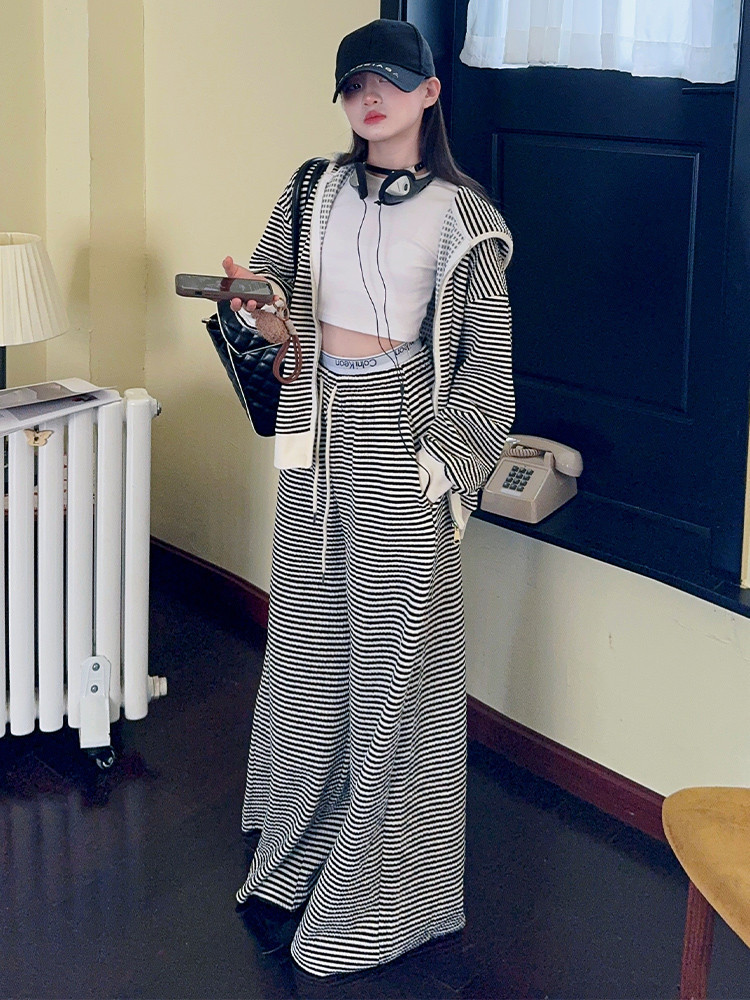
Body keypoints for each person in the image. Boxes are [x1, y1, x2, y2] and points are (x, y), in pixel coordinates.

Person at [223, 18, 515, 978]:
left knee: (393, 672)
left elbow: (489, 374)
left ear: (431, 91)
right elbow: (281, 320)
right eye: (355, 85)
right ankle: (297, 849)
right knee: (306, 654)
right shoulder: (311, 188)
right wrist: (260, 315)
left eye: (390, 81)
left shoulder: (467, 220)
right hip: (315, 435)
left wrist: (441, 472)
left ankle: (378, 893)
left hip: (401, 440)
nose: (370, 98)